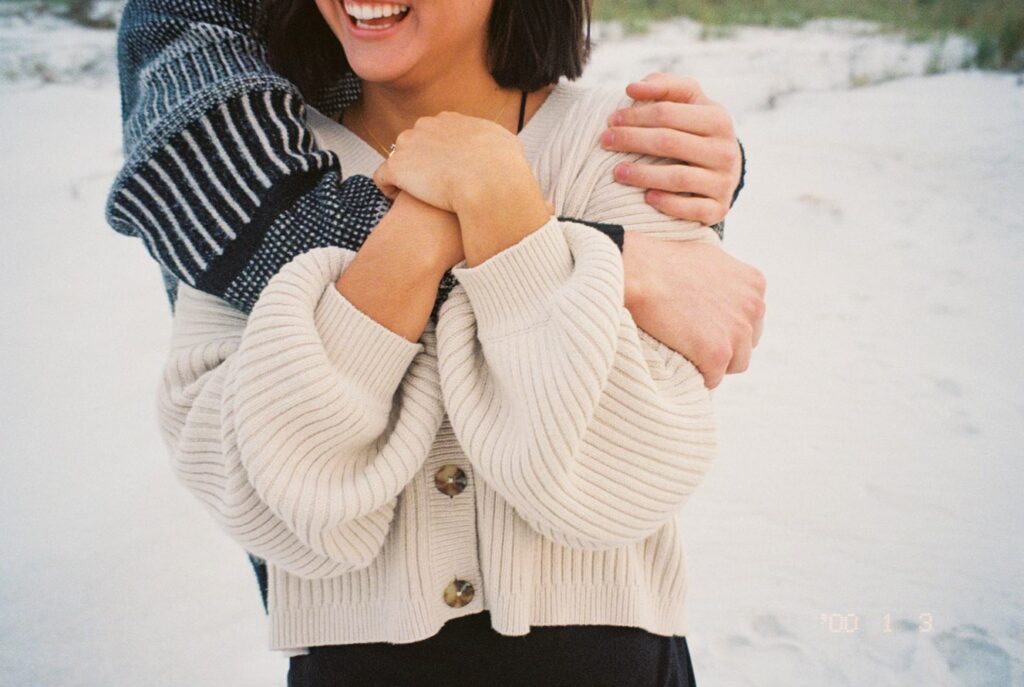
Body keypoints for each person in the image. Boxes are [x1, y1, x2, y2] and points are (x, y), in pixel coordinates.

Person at [155, 0, 763, 685]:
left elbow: (620, 478)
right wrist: (427, 227)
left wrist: (499, 198)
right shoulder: (238, 178)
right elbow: (268, 501)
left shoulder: (629, 144)